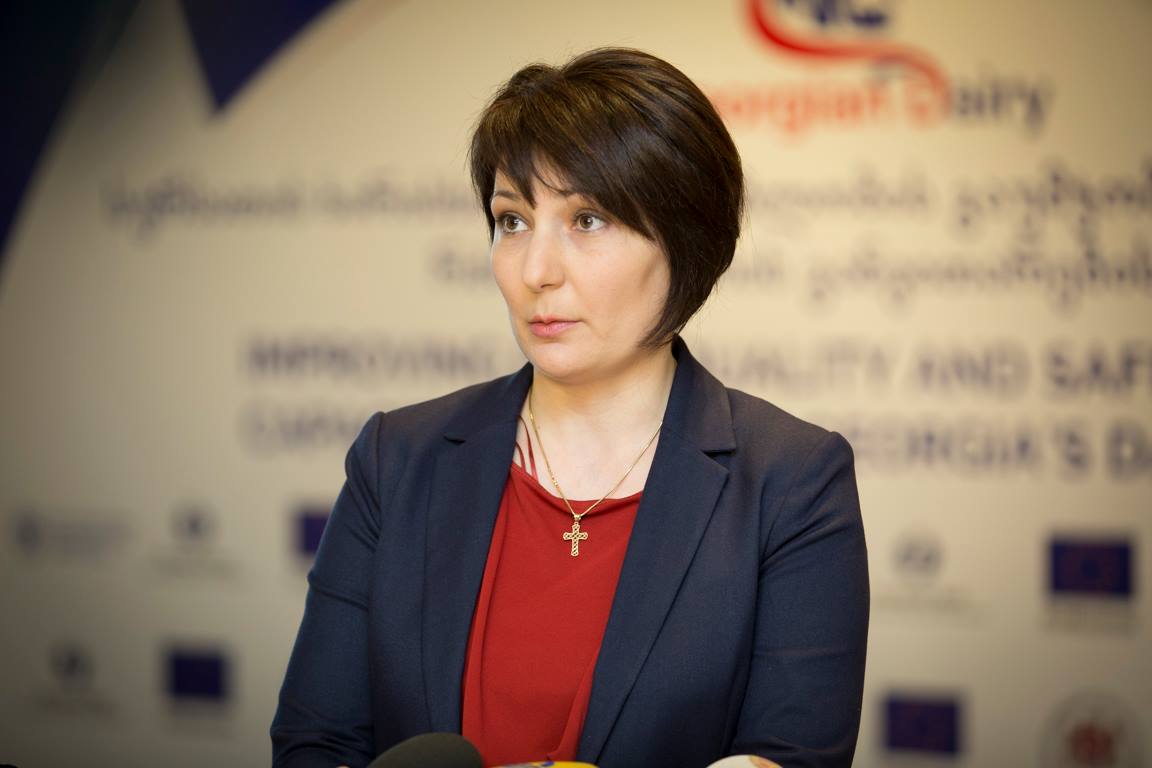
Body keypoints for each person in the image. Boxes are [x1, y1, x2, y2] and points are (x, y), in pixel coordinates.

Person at [271, 47, 868, 768]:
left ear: (687, 240)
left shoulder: (791, 480)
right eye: (512, 221)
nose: (535, 271)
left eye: (587, 220)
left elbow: (793, 755)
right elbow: (316, 742)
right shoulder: (397, 456)